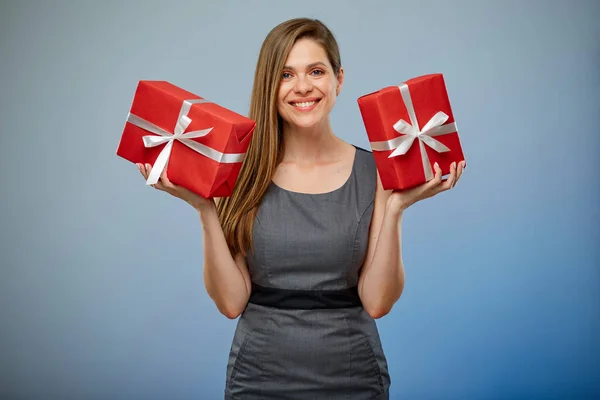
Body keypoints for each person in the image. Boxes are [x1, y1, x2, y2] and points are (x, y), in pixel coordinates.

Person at [137, 17, 464, 400]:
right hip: (258, 378)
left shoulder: (374, 171)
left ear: (339, 79)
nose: (303, 87)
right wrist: (205, 210)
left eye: (316, 71)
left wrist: (395, 210)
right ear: (269, 85)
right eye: (286, 74)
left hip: (353, 377)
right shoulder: (240, 172)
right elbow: (230, 303)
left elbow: (377, 302)